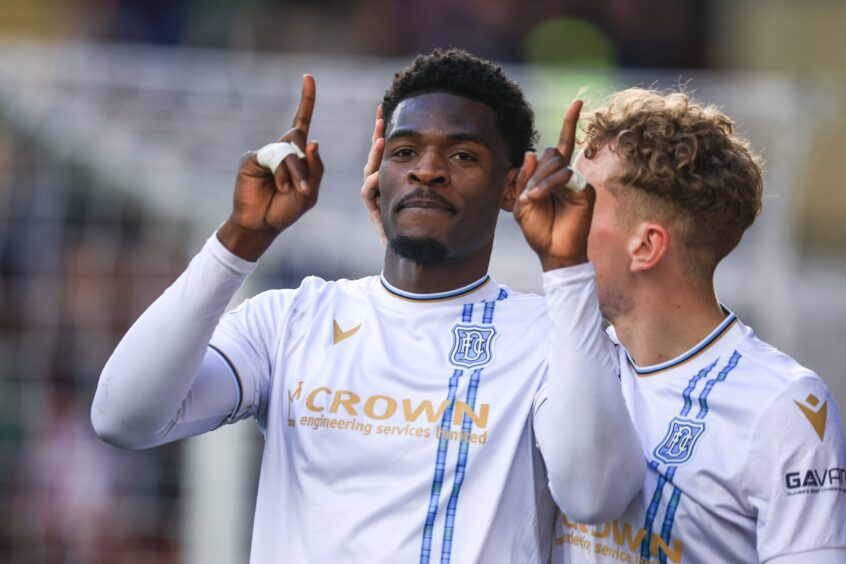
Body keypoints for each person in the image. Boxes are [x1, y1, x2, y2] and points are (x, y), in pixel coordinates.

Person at [91, 49, 645, 563]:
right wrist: (239, 240)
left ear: (510, 187)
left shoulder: (551, 336)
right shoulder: (289, 321)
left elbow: (594, 495)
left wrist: (566, 268)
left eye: (461, 154)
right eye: (405, 151)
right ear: (379, 171)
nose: (427, 169)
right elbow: (123, 418)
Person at [543, 89, 846, 563]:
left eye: (583, 198)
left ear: (646, 245)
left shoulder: (783, 406)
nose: (559, 213)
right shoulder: (557, 360)